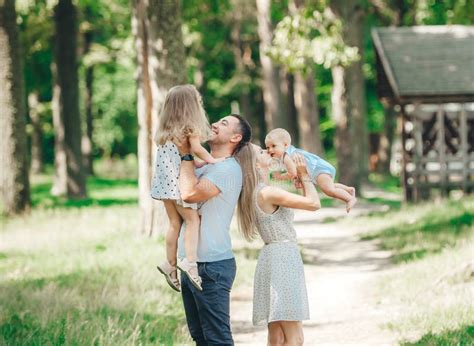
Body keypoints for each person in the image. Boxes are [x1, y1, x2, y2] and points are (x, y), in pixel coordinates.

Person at [175, 114, 253, 345]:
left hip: (211, 267)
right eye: (217, 121)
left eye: (224, 124)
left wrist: (186, 153)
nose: (215, 124)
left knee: (217, 340)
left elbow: (189, 193)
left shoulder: (227, 169)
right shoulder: (202, 167)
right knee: (200, 337)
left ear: (235, 138)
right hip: (190, 263)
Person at [235, 143, 321, 345]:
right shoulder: (267, 193)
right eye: (262, 152)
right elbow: (314, 203)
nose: (268, 151)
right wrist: (304, 173)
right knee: (295, 338)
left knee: (276, 336)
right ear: (256, 164)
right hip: (283, 257)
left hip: (270, 257)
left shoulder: (254, 192)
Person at [152, 85, 223, 292]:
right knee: (193, 220)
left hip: (164, 183)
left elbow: (180, 156)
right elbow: (197, 149)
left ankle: (169, 264)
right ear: (190, 106)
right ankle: (190, 264)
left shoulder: (164, 131)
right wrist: (213, 161)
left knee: (174, 223)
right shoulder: (189, 126)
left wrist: (196, 163)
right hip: (178, 182)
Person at [265, 128, 357, 212]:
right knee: (328, 185)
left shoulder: (286, 156)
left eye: (273, 146)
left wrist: (280, 176)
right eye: (268, 147)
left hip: (319, 168)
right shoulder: (287, 154)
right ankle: (348, 189)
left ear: (285, 145)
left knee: (328, 190)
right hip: (319, 168)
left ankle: (349, 199)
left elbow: (292, 173)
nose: (270, 150)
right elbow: (296, 171)